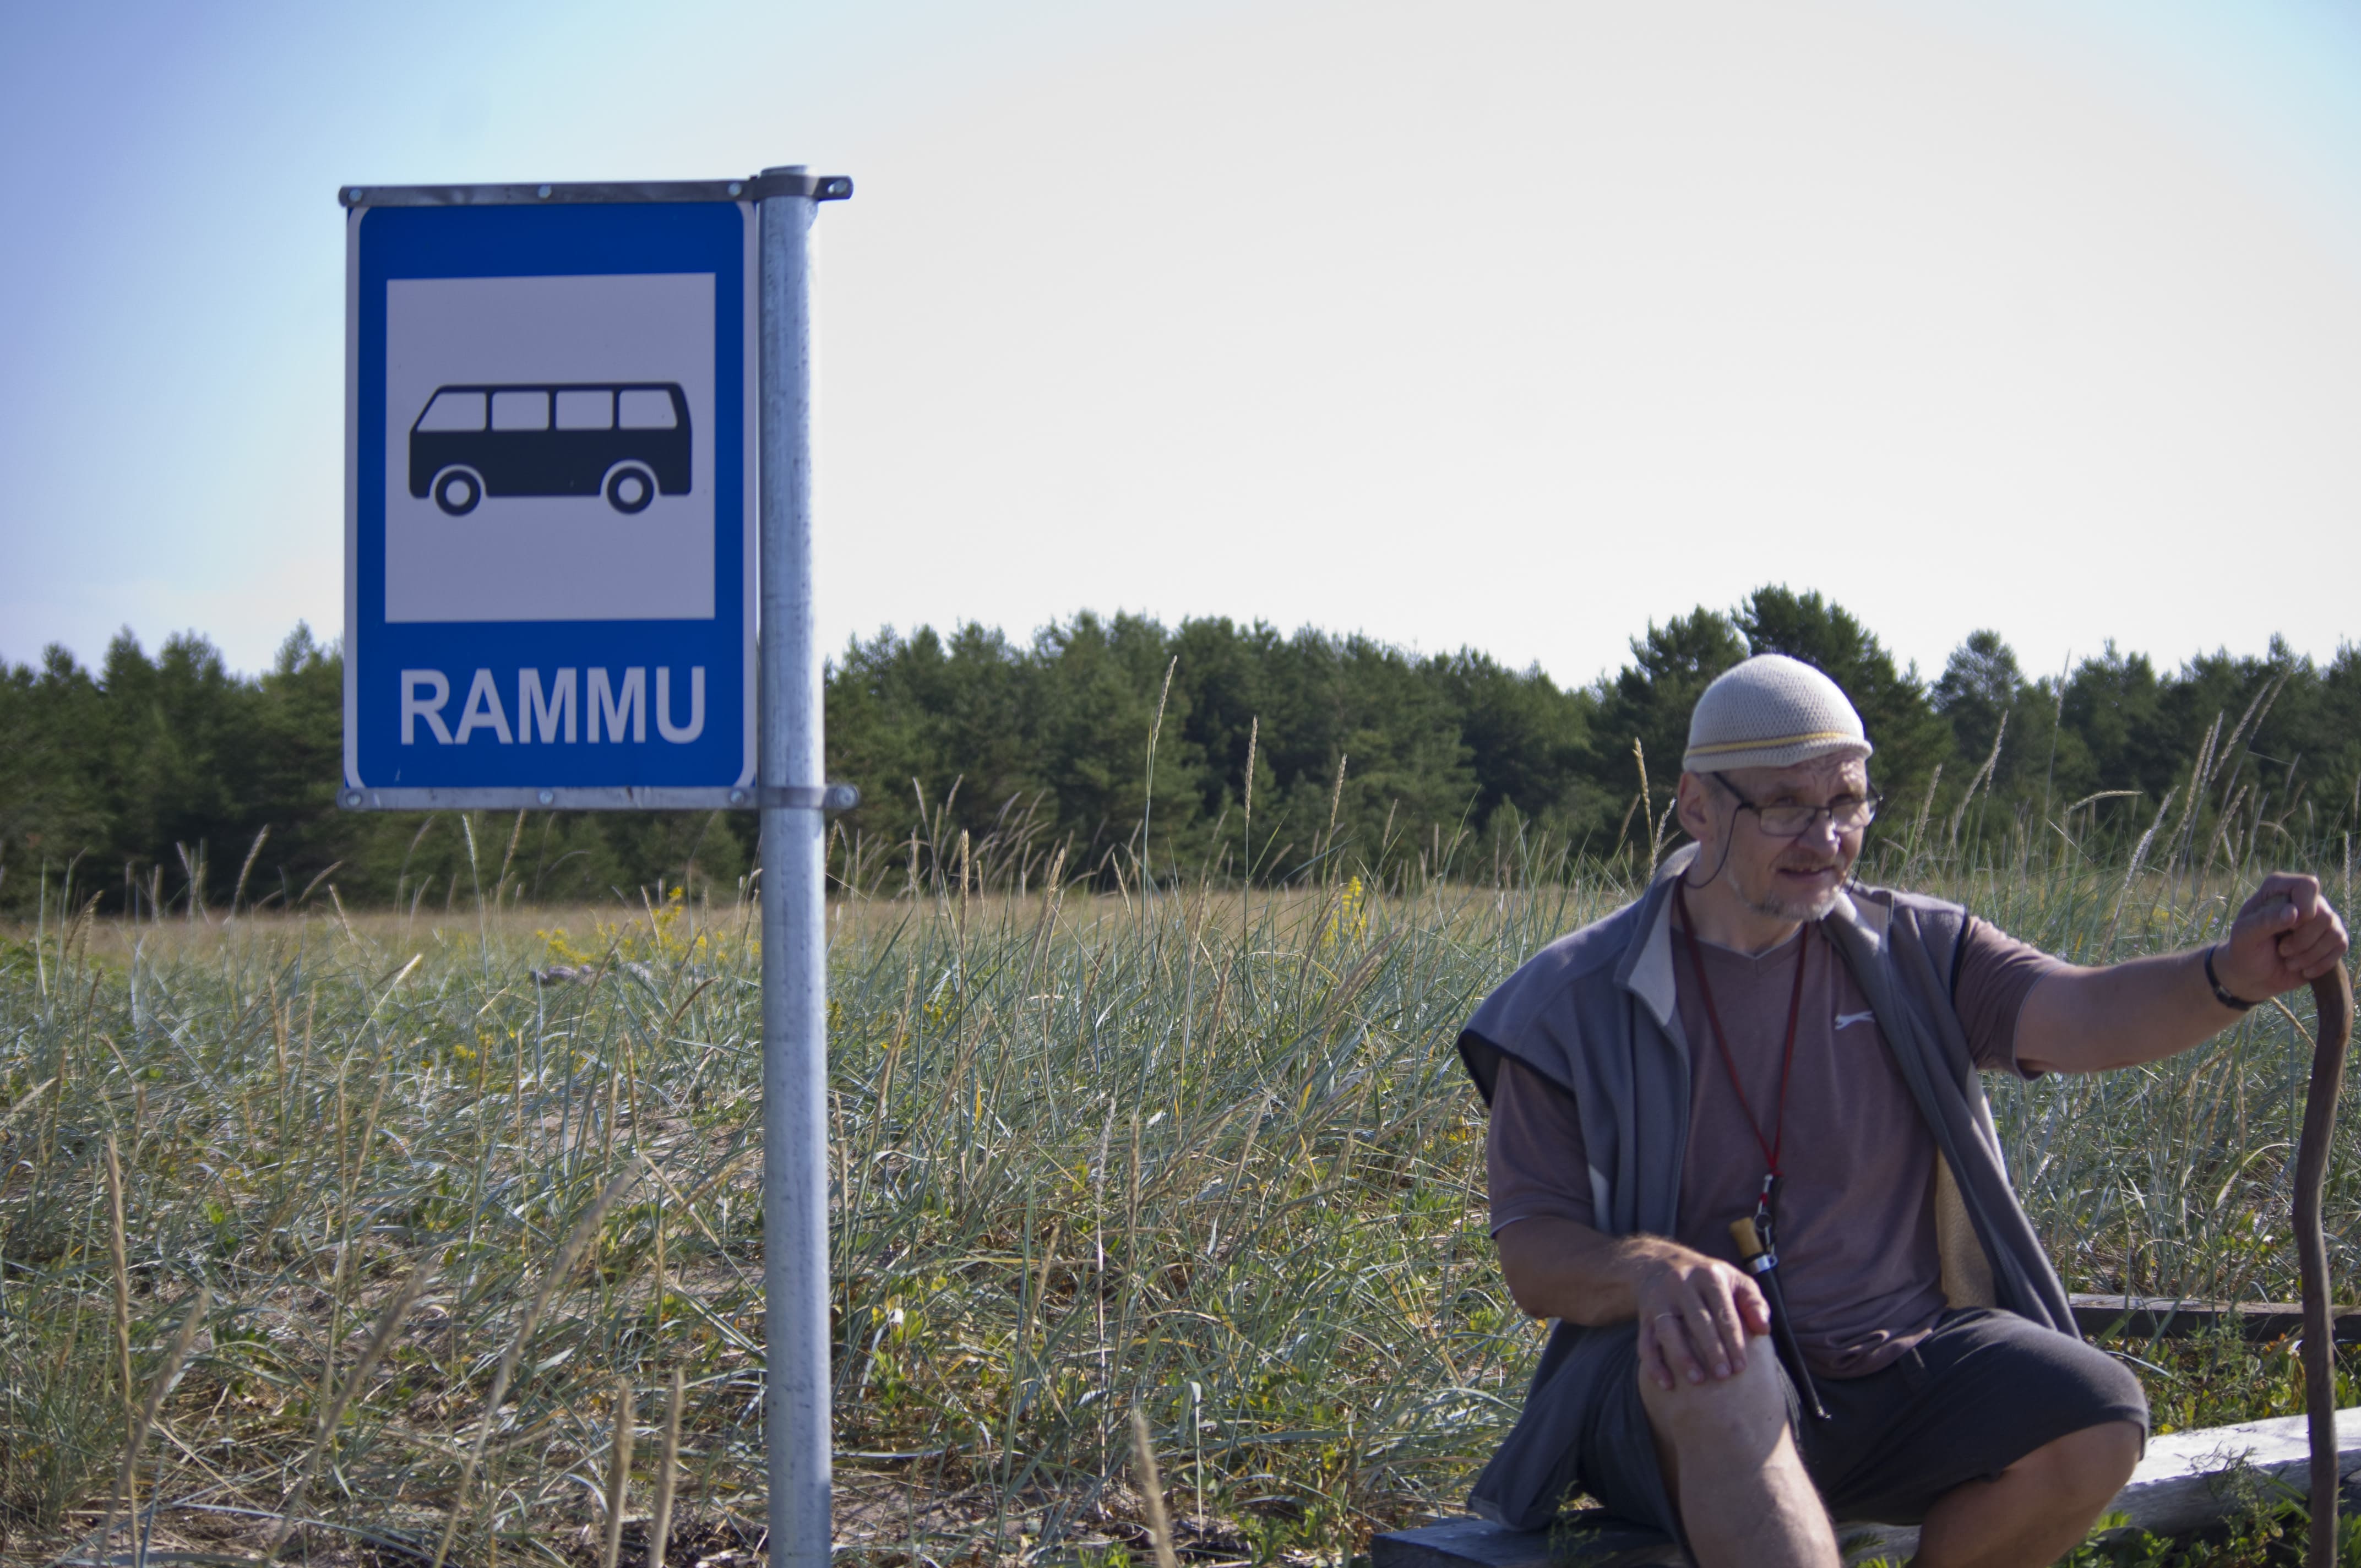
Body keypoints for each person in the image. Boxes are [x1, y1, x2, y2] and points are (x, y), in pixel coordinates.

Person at [1457, 654, 2349, 1568]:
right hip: (1673, 1397)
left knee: (2093, 1414)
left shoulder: (1918, 951)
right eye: (1785, 806)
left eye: (1847, 803)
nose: (1826, 838)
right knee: (1723, 1357)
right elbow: (1534, 1255)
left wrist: (2231, 976)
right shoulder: (1568, 1005)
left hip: (1902, 1367)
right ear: (1695, 805)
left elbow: (2084, 1013)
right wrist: (1651, 1273)